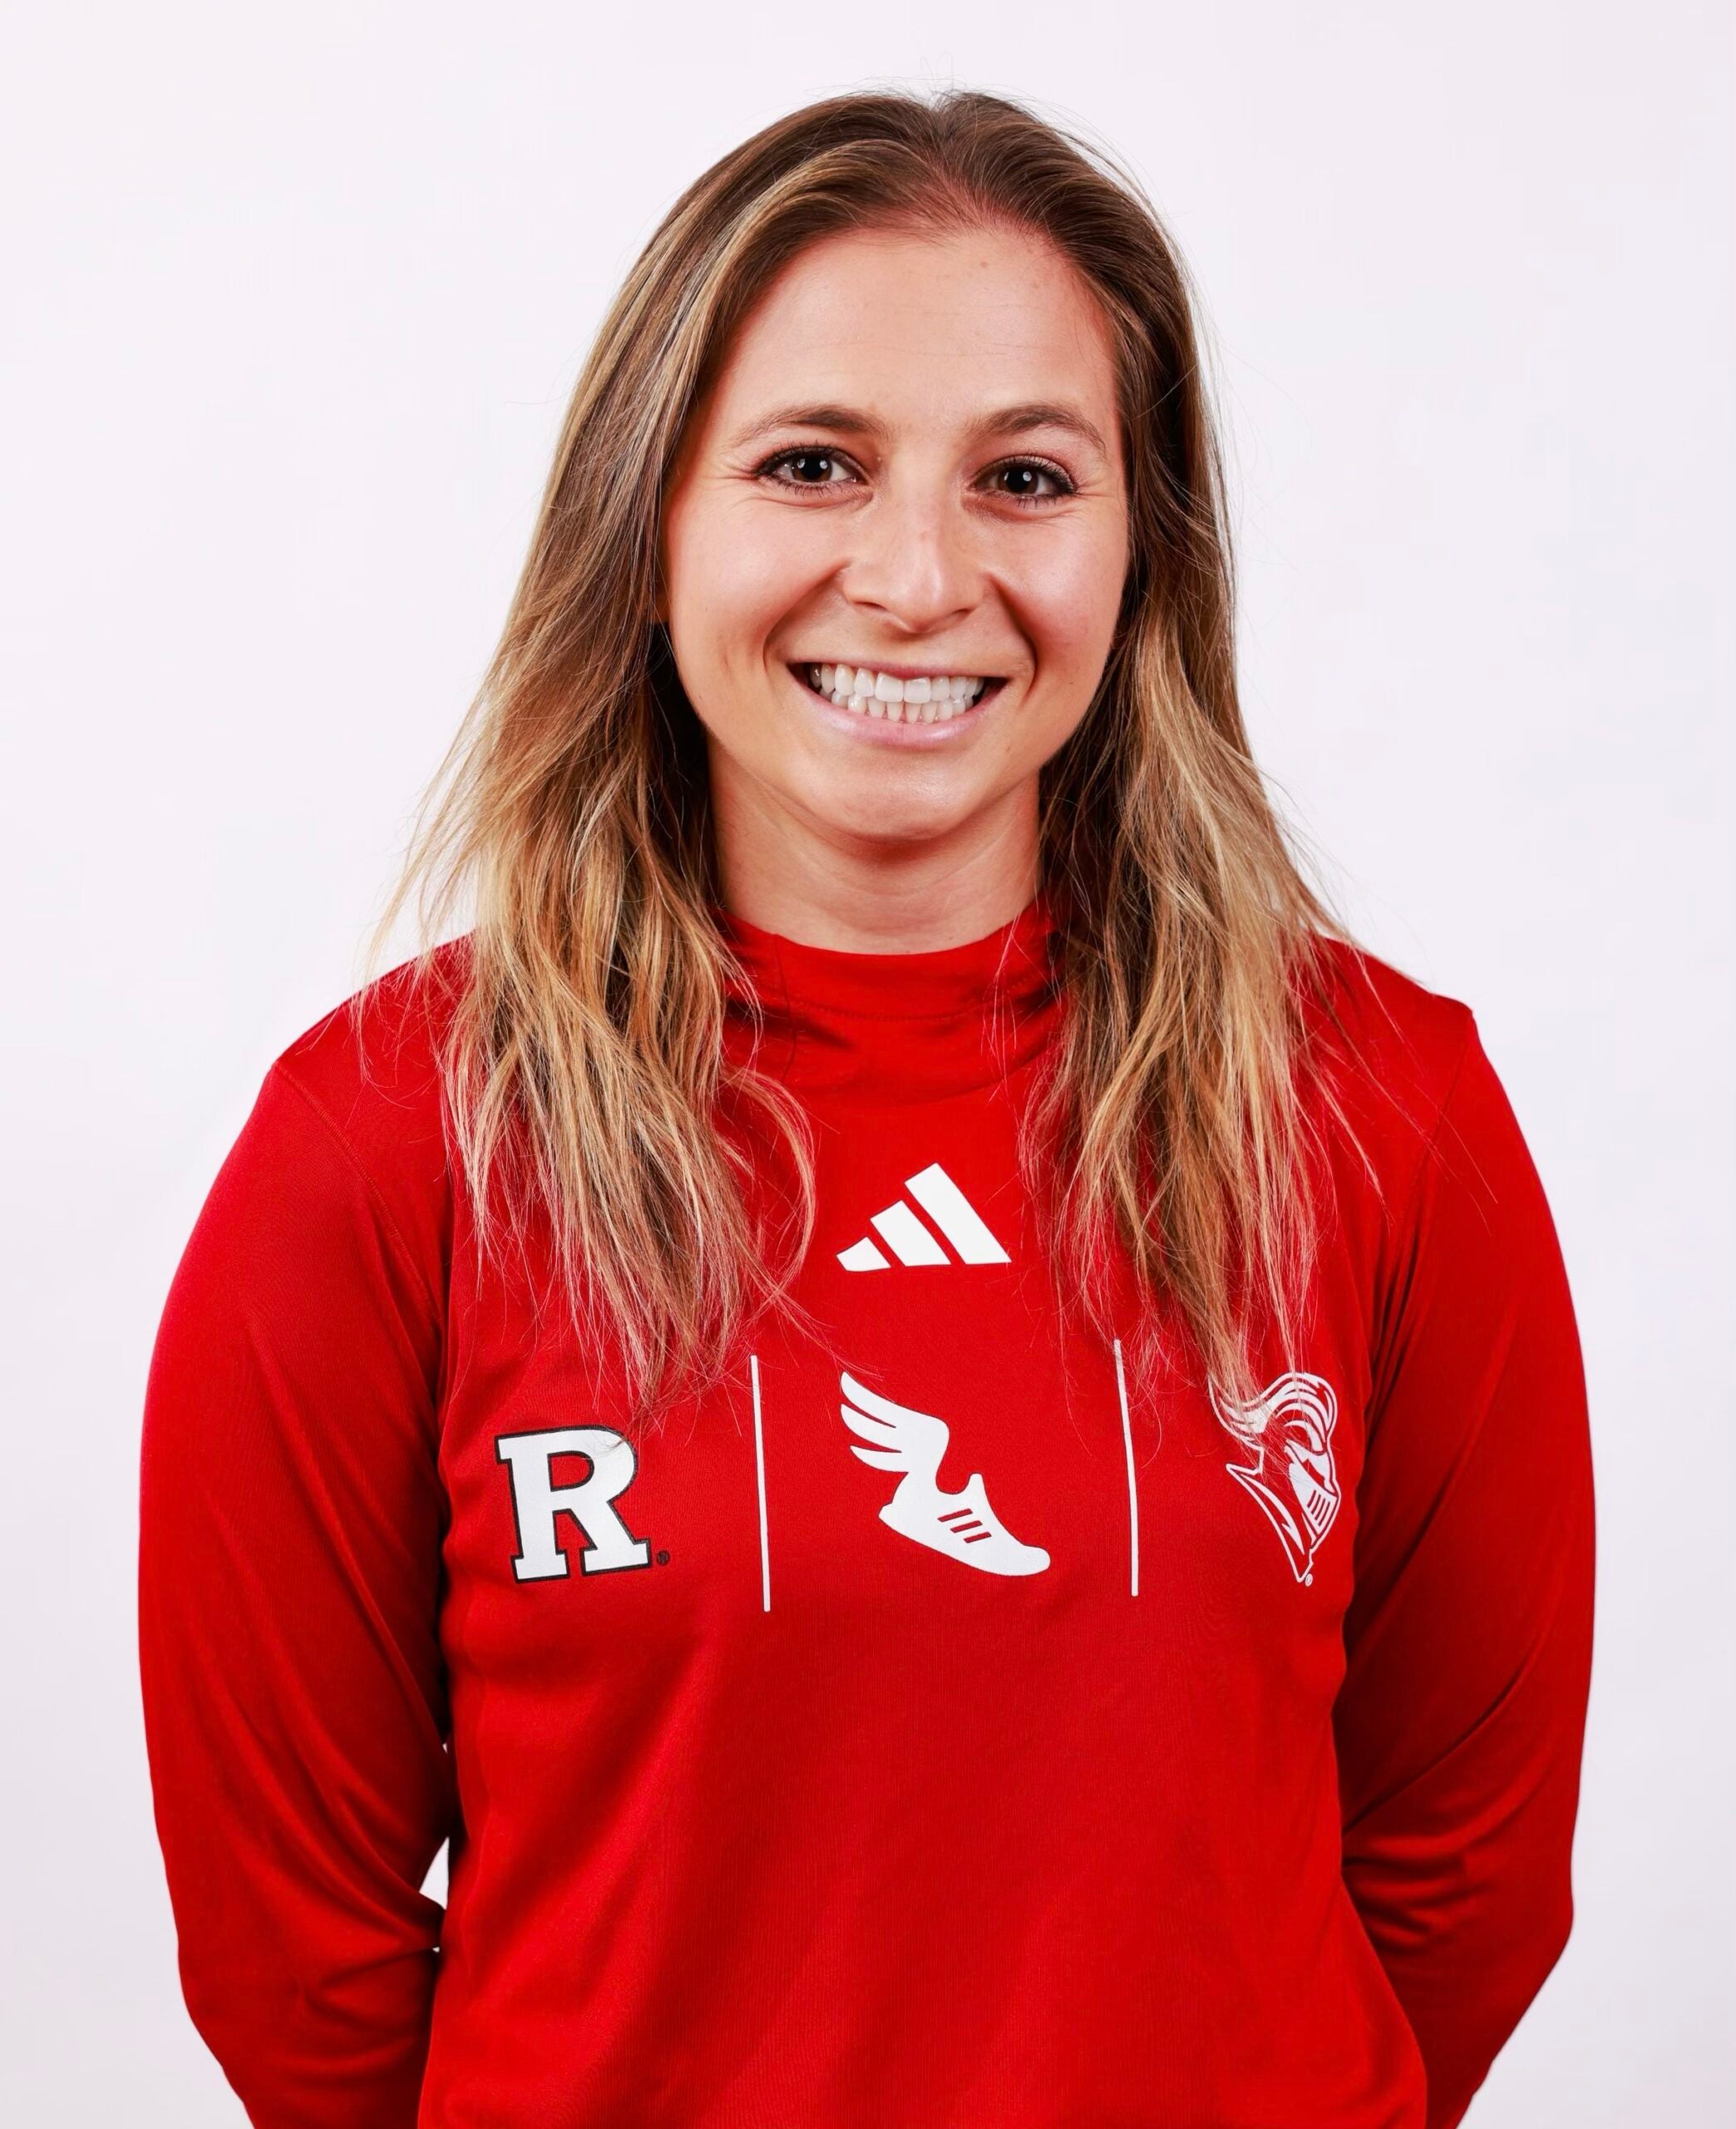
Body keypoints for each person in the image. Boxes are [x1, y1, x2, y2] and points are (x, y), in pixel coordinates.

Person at [136, 87, 1595, 2129]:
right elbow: (296, 1953)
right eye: (812, 465)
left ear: (1138, 555)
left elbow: (1468, 1877)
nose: (917, 577)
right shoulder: (386, 1143)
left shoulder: (1383, 1108)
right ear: (650, 536)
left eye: (1025, 475)